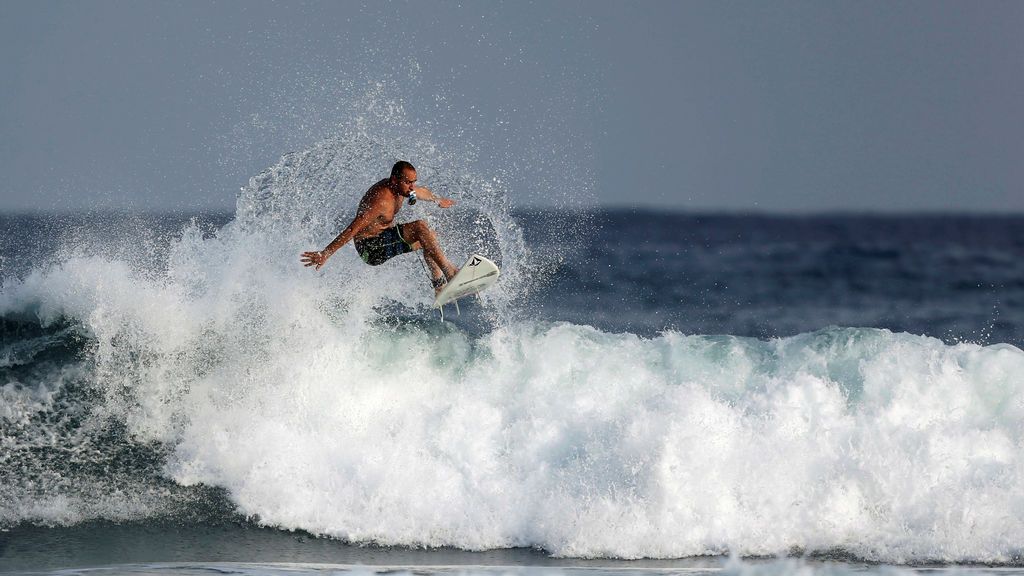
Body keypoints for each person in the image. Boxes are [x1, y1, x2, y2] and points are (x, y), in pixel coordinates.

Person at [300, 161, 459, 291]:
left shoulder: (403, 189)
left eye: (413, 182)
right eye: (408, 182)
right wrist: (325, 253)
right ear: (395, 180)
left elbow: (420, 191)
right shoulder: (380, 200)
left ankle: (439, 286)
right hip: (370, 248)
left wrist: (437, 199)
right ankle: (450, 273)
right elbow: (352, 229)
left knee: (430, 237)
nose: (412, 187)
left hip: (382, 237)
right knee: (420, 227)